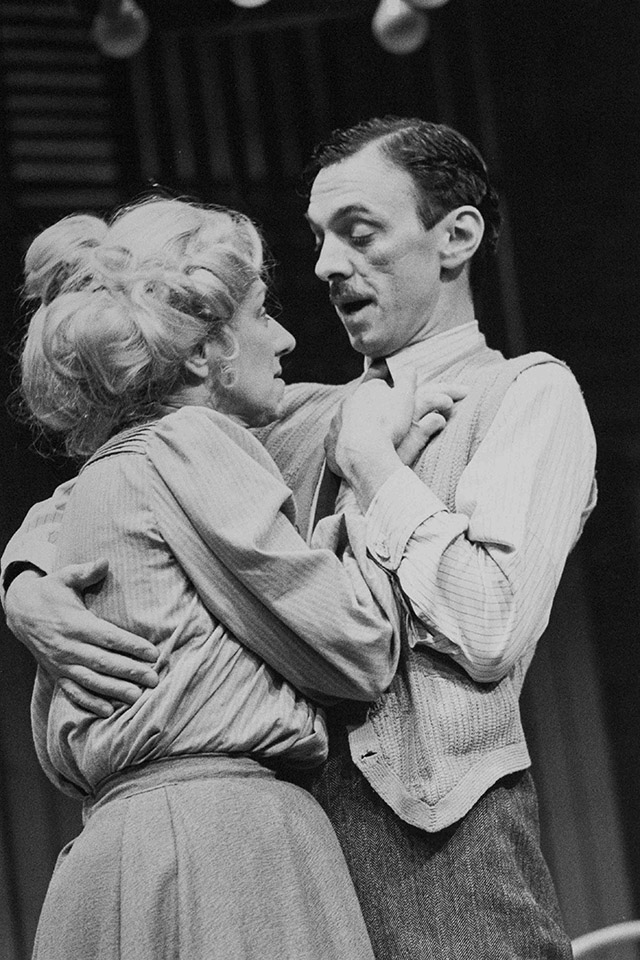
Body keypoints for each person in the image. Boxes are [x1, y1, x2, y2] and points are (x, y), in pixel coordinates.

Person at [3, 118, 597, 959]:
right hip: (273, 862)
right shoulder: (280, 415)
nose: (324, 265)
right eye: (318, 240)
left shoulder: (524, 397)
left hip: (439, 865)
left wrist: (373, 466)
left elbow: (490, 627)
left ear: (456, 235)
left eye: (359, 232)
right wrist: (24, 583)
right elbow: (108, 479)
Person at [6, 194, 460, 960]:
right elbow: (359, 653)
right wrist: (373, 481)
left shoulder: (110, 472)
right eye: (260, 313)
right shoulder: (195, 442)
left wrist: (19, 576)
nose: (283, 336)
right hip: (225, 852)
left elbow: (57, 511)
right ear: (198, 353)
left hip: (111, 863)